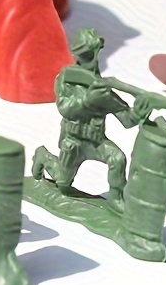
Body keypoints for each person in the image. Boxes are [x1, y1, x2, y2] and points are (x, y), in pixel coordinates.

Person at [32, 28, 146, 210]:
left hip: (96, 141)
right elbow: (65, 108)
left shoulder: (103, 90)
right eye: (85, 55)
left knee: (117, 158)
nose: (91, 60)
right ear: (77, 55)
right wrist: (87, 100)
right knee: (63, 182)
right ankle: (43, 156)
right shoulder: (67, 79)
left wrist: (140, 111)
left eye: (93, 53)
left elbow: (127, 121)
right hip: (73, 140)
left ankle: (116, 197)